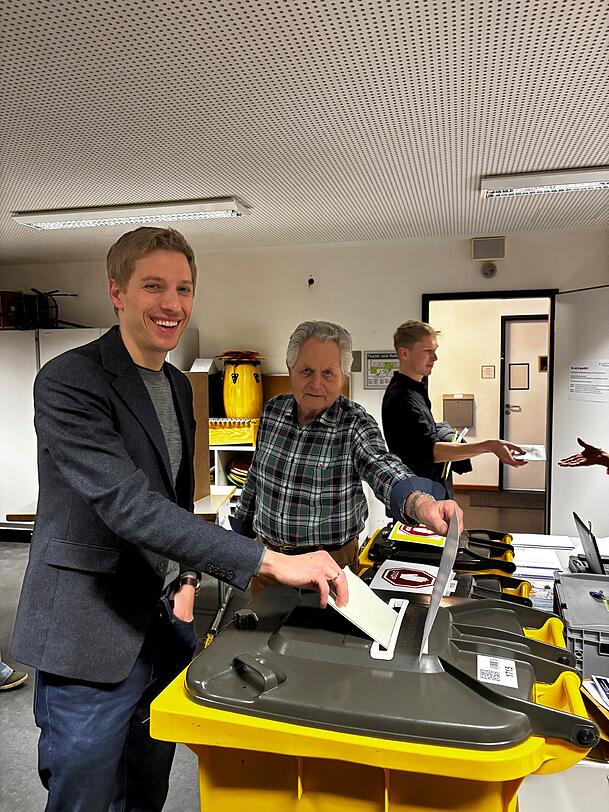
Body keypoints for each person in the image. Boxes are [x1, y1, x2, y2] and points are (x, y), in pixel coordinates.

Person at [10, 227, 348, 812]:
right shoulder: (69, 381)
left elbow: (174, 503)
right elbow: (128, 504)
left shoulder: (174, 384)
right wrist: (268, 560)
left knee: (147, 788)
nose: (172, 303)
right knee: (85, 796)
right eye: (153, 286)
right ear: (116, 292)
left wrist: (186, 578)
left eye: (184, 288)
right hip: (87, 631)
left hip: (163, 626)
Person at [232, 320, 463, 594]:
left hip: (330, 569)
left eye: (328, 373)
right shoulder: (273, 412)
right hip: (270, 563)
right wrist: (239, 536)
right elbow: (256, 477)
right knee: (259, 624)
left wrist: (421, 504)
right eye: (307, 371)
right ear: (290, 368)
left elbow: (383, 468)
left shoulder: (355, 423)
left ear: (342, 376)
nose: (316, 383)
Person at [382, 320, 527, 496]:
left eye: (435, 350)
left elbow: (422, 436)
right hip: (417, 495)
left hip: (431, 487)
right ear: (404, 353)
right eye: (427, 351)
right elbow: (432, 452)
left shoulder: (416, 387)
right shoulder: (401, 398)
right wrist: (490, 446)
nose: (434, 358)